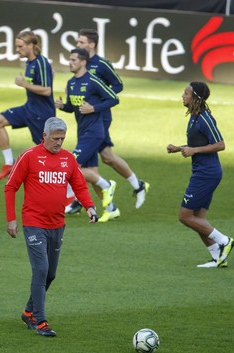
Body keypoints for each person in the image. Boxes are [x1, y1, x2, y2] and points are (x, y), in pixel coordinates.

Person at [5, 117, 98, 337]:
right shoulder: (29, 157)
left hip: (57, 224)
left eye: (62, 139)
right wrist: (11, 219)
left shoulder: (68, 159)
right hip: (33, 223)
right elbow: (10, 187)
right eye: (55, 138)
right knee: (40, 269)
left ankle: (28, 312)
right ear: (44, 135)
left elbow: (79, 185)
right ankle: (40, 320)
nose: (58, 142)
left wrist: (90, 207)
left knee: (51, 274)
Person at [68, 28, 149, 221]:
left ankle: (136, 185)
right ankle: (99, 203)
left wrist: (97, 101)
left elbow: (118, 86)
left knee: (103, 158)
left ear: (91, 44)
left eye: (81, 42)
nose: (78, 45)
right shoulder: (80, 67)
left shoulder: (101, 64)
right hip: (85, 119)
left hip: (99, 118)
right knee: (97, 163)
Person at [167, 82, 234, 268]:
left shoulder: (205, 118)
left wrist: (194, 150)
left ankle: (224, 241)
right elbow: (197, 145)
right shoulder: (194, 116)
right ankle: (218, 257)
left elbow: (220, 144)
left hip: (207, 174)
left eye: (186, 93)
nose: (183, 95)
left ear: (196, 97)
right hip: (202, 171)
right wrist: (179, 149)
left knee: (185, 216)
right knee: (198, 218)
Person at [55, 48, 118, 214]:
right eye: (70, 59)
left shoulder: (93, 81)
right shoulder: (71, 82)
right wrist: (63, 107)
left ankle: (107, 185)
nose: (70, 62)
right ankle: (112, 209)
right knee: (89, 173)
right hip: (82, 132)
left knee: (70, 166)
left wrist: (94, 108)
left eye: (74, 60)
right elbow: (73, 107)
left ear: (83, 62)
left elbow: (114, 98)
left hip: (94, 132)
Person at [0, 30, 55, 180]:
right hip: (28, 108)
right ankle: (9, 163)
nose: (17, 50)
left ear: (31, 45)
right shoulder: (29, 62)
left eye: (20, 46)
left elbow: (47, 90)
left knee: (51, 156)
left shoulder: (41, 62)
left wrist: (23, 83)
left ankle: (72, 192)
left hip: (41, 114)